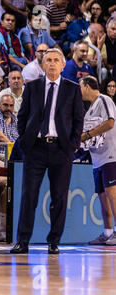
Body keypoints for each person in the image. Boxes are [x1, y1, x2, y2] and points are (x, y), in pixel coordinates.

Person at [11, 48, 85, 254]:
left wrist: (71, 145)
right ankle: (22, 241)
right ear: (43, 64)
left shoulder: (72, 88)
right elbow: (23, 116)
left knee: (59, 198)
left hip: (61, 150)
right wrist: (25, 140)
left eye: (56, 60)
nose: (51, 63)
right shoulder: (33, 87)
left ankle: (54, 242)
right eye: (48, 60)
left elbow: (78, 120)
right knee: (29, 197)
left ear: (63, 65)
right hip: (35, 148)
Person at [80, 76, 116, 245]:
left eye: (81, 87)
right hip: (97, 159)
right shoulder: (89, 110)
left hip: (111, 155)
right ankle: (107, 232)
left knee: (112, 194)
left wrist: (88, 134)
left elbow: (110, 123)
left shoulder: (105, 99)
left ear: (87, 86)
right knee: (102, 196)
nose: (79, 91)